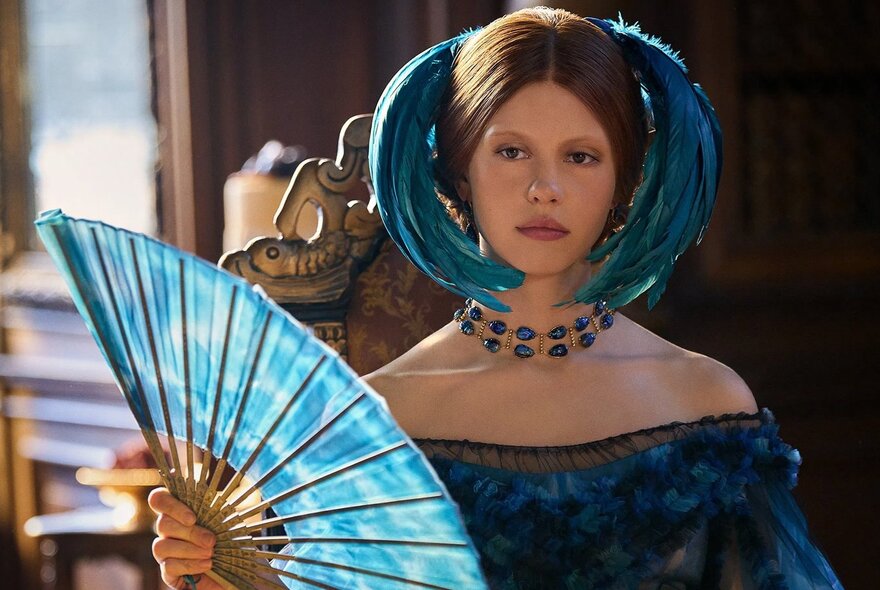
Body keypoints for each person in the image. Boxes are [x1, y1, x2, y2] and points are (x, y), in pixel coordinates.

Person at [150, 7, 844, 589]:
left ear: (622, 186)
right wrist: (219, 577)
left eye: (581, 156)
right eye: (511, 152)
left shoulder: (707, 408)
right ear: (458, 171)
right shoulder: (379, 420)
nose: (545, 188)